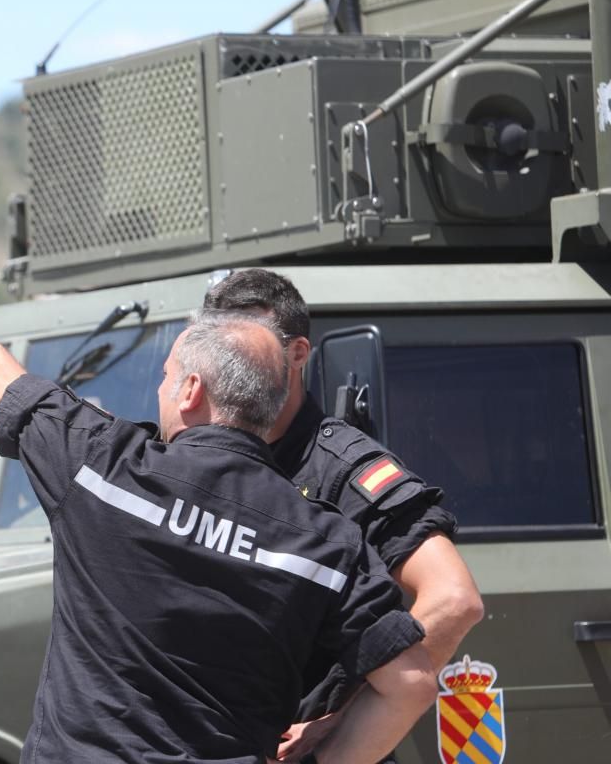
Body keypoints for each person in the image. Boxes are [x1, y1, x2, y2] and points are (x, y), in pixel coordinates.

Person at [0, 216, 438, 764]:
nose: (159, 390)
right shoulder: (326, 545)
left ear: (190, 391)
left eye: (165, 375)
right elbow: (410, 682)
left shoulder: (103, 470)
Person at [203, 269, 485, 758]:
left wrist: (344, 713)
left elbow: (454, 600)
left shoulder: (341, 470)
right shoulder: (200, 455)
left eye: (249, 351)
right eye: (216, 352)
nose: (228, 370)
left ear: (297, 355)